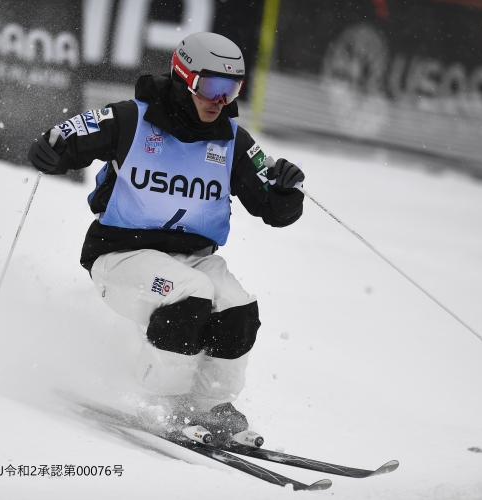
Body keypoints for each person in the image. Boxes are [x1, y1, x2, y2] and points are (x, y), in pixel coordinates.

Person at [28, 32, 305, 444]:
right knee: (191, 294)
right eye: (212, 86)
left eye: (232, 89)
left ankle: (209, 407)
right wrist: (52, 150)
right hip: (120, 257)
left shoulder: (232, 142)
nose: (221, 100)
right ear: (183, 75)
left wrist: (284, 190)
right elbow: (67, 139)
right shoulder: (131, 119)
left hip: (193, 257)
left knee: (238, 308)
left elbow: (275, 209)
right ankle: (164, 401)